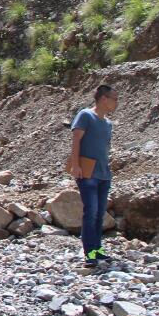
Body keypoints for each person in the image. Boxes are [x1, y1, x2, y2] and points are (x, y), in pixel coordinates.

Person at [69, 83, 117, 267]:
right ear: (103, 99)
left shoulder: (107, 123)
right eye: (114, 99)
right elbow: (76, 140)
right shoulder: (85, 115)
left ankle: (97, 249)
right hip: (87, 172)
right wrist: (75, 165)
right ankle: (89, 252)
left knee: (99, 214)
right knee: (91, 212)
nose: (116, 103)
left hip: (104, 174)